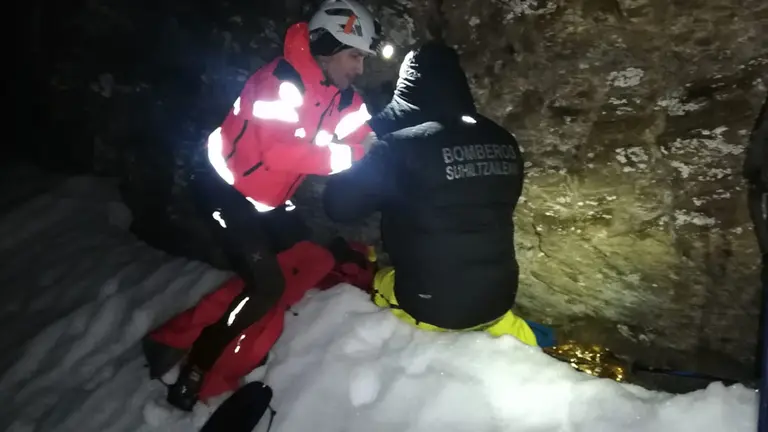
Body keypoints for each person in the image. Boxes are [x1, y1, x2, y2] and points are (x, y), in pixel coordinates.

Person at [143, 0, 384, 411]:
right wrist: (349, 156)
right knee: (267, 283)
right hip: (224, 192)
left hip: (269, 200)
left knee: (310, 257)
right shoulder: (278, 81)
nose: (359, 69)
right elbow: (280, 152)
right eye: (353, 56)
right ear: (326, 45)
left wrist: (374, 141)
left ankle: (231, 321)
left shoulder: (341, 97)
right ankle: (197, 365)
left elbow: (364, 133)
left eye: (362, 58)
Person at [322, 41, 555, 347]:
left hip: (432, 305)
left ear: (407, 88)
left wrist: (370, 152)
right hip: (499, 297)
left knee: (380, 281)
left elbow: (338, 206)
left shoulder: (397, 146)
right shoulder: (503, 139)